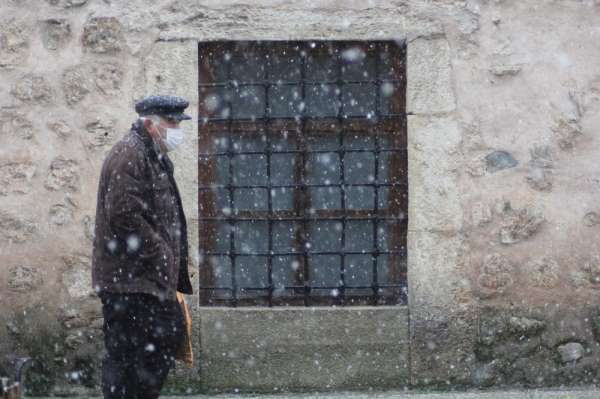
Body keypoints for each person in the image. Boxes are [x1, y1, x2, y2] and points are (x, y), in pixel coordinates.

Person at [91, 95, 194, 399]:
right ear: (150, 124)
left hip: (147, 280)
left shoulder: (152, 153)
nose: (177, 129)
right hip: (131, 283)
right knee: (128, 359)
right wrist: (161, 253)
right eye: (172, 122)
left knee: (157, 349)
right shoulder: (129, 155)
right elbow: (125, 217)